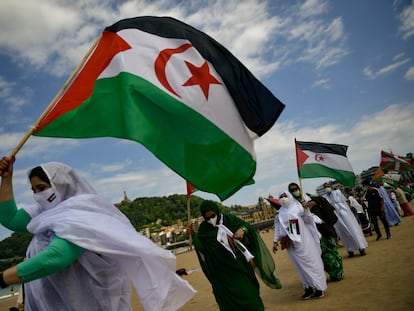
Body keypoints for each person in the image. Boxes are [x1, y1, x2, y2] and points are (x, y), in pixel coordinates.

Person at [0, 157, 195, 311]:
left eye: (42, 188)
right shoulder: (44, 213)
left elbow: (57, 257)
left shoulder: (82, 215)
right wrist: (6, 179)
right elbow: (9, 218)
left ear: (61, 185)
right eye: (33, 190)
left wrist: (2, 278)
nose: (37, 195)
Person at [191, 200, 281, 311]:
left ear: (217, 211)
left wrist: (243, 230)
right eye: (207, 218)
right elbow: (203, 249)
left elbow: (247, 227)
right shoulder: (204, 229)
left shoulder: (229, 219)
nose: (211, 219)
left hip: (240, 267)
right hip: (223, 275)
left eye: (212, 216)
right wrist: (193, 236)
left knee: (251, 298)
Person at [273, 190, 327, 300]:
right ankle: (308, 288)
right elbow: (278, 229)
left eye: (285, 196)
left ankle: (318, 288)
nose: (283, 198)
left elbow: (308, 220)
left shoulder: (298, 208)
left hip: (304, 242)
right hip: (291, 245)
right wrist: (275, 241)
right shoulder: (280, 214)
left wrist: (306, 210)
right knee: (299, 267)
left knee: (311, 263)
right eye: (281, 196)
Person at [288, 183, 344, 282]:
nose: (295, 191)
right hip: (309, 234)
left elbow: (322, 201)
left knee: (332, 251)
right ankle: (332, 274)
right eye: (292, 190)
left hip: (322, 229)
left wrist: (312, 203)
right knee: (321, 255)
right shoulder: (291, 205)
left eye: (296, 189)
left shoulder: (308, 197)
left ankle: (338, 272)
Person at [323, 182, 368, 257]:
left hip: (345, 214)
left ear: (331, 186)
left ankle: (361, 248)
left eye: (328, 186)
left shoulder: (337, 192)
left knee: (353, 230)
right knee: (343, 233)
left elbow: (346, 202)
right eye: (325, 187)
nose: (327, 188)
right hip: (336, 217)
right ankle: (350, 250)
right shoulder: (324, 197)